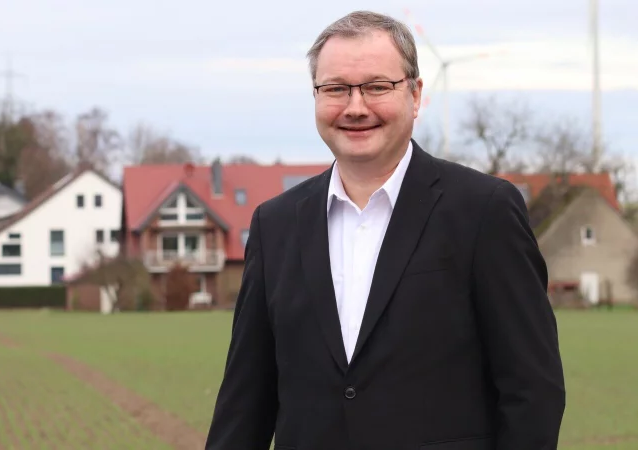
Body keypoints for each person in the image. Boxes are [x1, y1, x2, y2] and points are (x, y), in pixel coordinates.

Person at [205, 10, 565, 450]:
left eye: (377, 86)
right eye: (335, 89)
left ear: (415, 96)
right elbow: (245, 400)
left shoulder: (484, 211)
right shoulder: (275, 224)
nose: (356, 107)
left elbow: (533, 389)